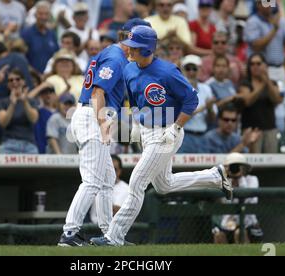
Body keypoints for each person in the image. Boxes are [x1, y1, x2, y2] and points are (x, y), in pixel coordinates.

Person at [90, 25, 232, 246]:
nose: (129, 50)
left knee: (137, 183)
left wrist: (175, 128)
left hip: (166, 132)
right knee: (164, 185)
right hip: (147, 131)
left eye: (135, 47)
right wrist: (137, 121)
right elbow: (135, 98)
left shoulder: (168, 71)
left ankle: (114, 237)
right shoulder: (129, 69)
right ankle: (215, 176)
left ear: (147, 49)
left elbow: (191, 101)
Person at [58, 19, 153, 247]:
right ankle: (69, 234)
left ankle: (109, 235)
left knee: (107, 179)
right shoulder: (116, 57)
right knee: (91, 181)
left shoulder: (114, 54)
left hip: (93, 115)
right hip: (93, 115)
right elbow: (98, 92)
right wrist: (102, 123)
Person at [212, 153, 263, 244]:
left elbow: (249, 200)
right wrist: (229, 177)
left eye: (238, 166)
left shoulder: (252, 179)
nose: (235, 169)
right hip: (228, 224)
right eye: (232, 166)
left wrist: (240, 178)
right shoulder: (223, 181)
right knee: (218, 235)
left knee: (239, 233)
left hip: (248, 224)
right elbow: (225, 201)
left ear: (244, 168)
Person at [238, 53, 282, 153]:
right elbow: (248, 101)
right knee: (254, 163)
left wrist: (267, 82)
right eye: (252, 64)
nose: (255, 67)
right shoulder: (245, 83)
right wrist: (262, 84)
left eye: (258, 64)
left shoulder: (273, 83)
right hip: (251, 129)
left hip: (270, 129)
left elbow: (277, 99)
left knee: (272, 161)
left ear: (264, 65)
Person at [178, 54, 217, 153]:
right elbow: (179, 118)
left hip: (202, 136)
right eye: (188, 68)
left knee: (203, 168)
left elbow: (212, 119)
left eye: (194, 69)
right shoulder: (177, 89)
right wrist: (204, 107)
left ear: (199, 70)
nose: (191, 72)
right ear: (183, 70)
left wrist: (209, 108)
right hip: (184, 136)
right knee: (183, 168)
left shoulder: (206, 89)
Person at [0, 69, 39, 154]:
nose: (14, 82)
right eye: (10, 80)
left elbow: (33, 119)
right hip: (8, 144)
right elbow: (3, 122)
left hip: (29, 145)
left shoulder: (31, 101)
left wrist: (24, 101)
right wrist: (12, 103)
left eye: (18, 79)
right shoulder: (3, 102)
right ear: (7, 84)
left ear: (23, 81)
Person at [89, 155, 129, 224]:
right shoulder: (95, 185)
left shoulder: (126, 188)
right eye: (108, 169)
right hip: (94, 227)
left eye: (114, 169)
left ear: (119, 171)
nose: (111, 173)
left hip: (114, 228)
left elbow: (115, 211)